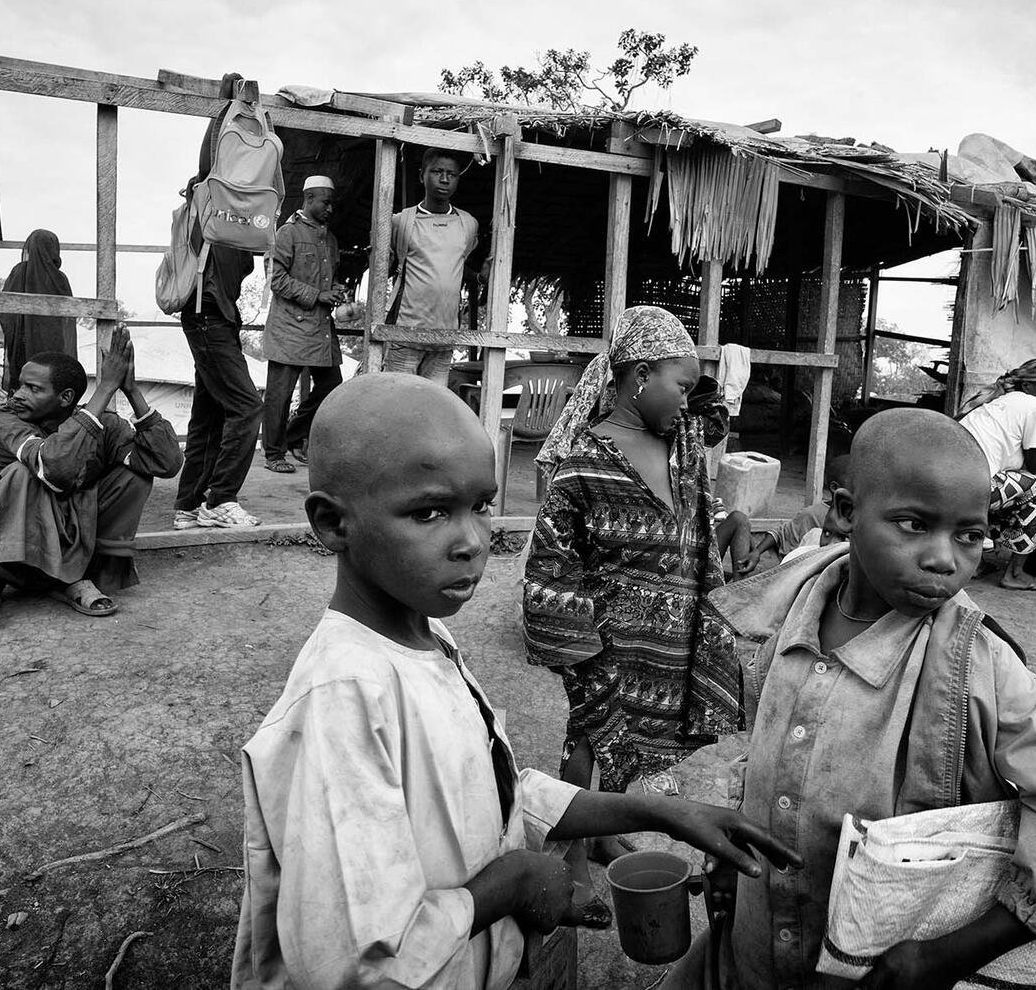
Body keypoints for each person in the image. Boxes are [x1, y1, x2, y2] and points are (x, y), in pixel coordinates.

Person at [230, 373, 796, 990]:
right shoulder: (342, 700)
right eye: (429, 512)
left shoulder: (423, 639)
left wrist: (659, 812)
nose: (473, 542)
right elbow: (352, 965)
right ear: (333, 524)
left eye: (480, 507)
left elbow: (487, 791)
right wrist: (512, 885)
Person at [663, 408, 1036, 990]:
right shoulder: (786, 611)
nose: (945, 558)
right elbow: (772, 756)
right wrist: (736, 857)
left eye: (970, 535)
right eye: (914, 524)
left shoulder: (981, 667)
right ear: (846, 513)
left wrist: (949, 955)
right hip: (755, 950)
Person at [524, 306, 752, 906]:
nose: (687, 399)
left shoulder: (682, 448)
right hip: (607, 643)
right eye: (680, 384)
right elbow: (551, 566)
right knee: (591, 741)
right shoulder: (583, 465)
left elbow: (700, 519)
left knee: (653, 738)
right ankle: (572, 849)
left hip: (673, 640)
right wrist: (577, 649)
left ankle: (602, 838)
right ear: (639, 376)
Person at [0, 328, 184, 634]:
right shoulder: (10, 419)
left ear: (65, 398)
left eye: (33, 388)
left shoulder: (106, 426)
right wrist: (105, 388)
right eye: (21, 385)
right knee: (20, 475)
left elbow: (167, 463)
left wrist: (130, 390)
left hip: (73, 534)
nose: (19, 394)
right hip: (5, 536)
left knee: (136, 474)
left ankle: (77, 575)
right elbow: (53, 466)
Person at [174, 81, 266, 529]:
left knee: (208, 414)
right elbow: (212, 155)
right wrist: (232, 102)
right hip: (206, 313)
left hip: (218, 317)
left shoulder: (246, 213)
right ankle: (220, 499)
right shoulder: (209, 194)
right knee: (248, 407)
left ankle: (189, 505)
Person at [958, 355, 1036, 591]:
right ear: (1028, 385)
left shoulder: (1005, 402)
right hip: (975, 487)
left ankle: (976, 563)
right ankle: (1015, 573)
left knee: (1015, 484)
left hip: (954, 483)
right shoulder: (1032, 405)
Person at [262, 175, 348, 474]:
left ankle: (293, 435)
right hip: (290, 328)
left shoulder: (331, 238)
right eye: (325, 202)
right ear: (309, 199)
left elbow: (329, 277)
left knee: (332, 384)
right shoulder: (286, 233)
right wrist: (318, 295)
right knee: (279, 395)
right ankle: (274, 454)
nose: (330, 209)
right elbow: (276, 279)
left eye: (332, 203)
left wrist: (335, 289)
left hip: (319, 329)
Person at [382, 149, 484, 385]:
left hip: (445, 337)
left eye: (452, 174)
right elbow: (384, 268)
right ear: (422, 175)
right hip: (405, 333)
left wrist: (479, 278)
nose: (445, 179)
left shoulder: (468, 224)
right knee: (397, 402)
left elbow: (456, 266)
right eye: (437, 172)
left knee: (433, 409)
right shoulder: (402, 222)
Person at [0, 229, 77, 392]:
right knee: (51, 386)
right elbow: (67, 322)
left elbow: (4, 312)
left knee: (25, 388)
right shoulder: (60, 279)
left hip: (23, 347)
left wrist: (23, 330)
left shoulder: (20, 272)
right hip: (53, 347)